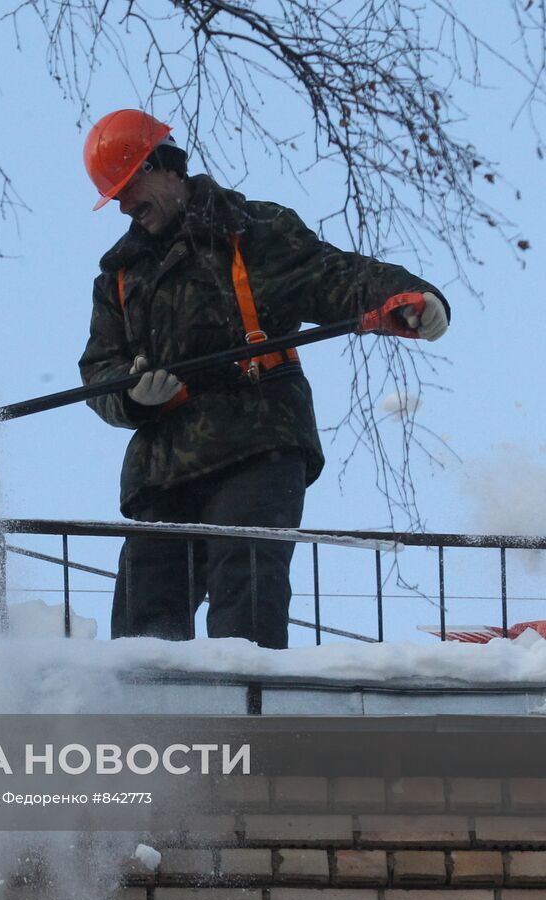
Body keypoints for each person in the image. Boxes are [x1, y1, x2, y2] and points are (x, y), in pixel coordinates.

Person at [78, 109, 449, 649]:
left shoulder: (251, 232)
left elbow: (335, 276)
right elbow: (98, 370)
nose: (124, 205)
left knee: (246, 592)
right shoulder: (118, 275)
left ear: (166, 169)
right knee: (144, 619)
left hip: (257, 441)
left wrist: (410, 297)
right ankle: (149, 720)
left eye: (129, 187)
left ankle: (253, 716)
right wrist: (130, 396)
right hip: (161, 466)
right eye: (114, 196)